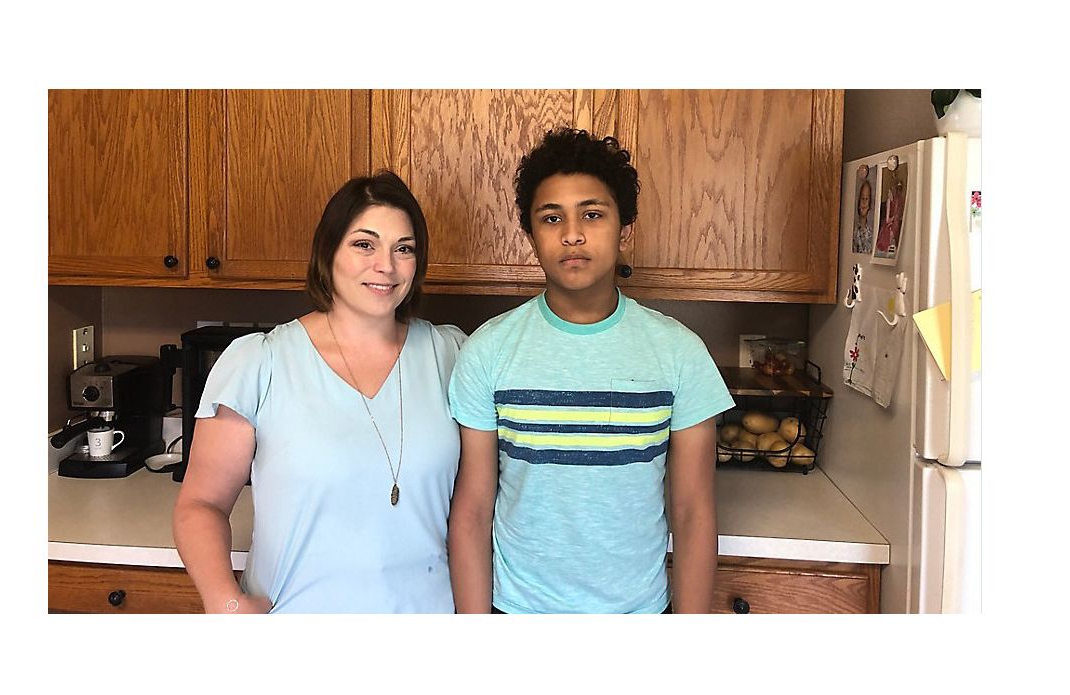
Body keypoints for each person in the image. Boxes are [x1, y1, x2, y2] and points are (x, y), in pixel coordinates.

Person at [446, 127, 734, 614]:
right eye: (551, 217)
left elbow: (693, 513)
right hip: (517, 610)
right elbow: (473, 511)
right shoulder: (487, 351)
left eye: (593, 214)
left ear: (625, 229)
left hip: (639, 612)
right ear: (531, 236)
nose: (572, 234)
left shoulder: (680, 353)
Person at [172, 171, 467, 613]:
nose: (386, 265)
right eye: (364, 244)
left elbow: (479, 506)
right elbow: (201, 504)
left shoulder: (452, 355)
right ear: (327, 253)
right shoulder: (260, 362)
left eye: (403, 248)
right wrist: (225, 602)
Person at [851, 175, 874, 254]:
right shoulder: (852, 230)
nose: (864, 202)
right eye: (862, 198)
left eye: (867, 199)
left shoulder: (872, 232)